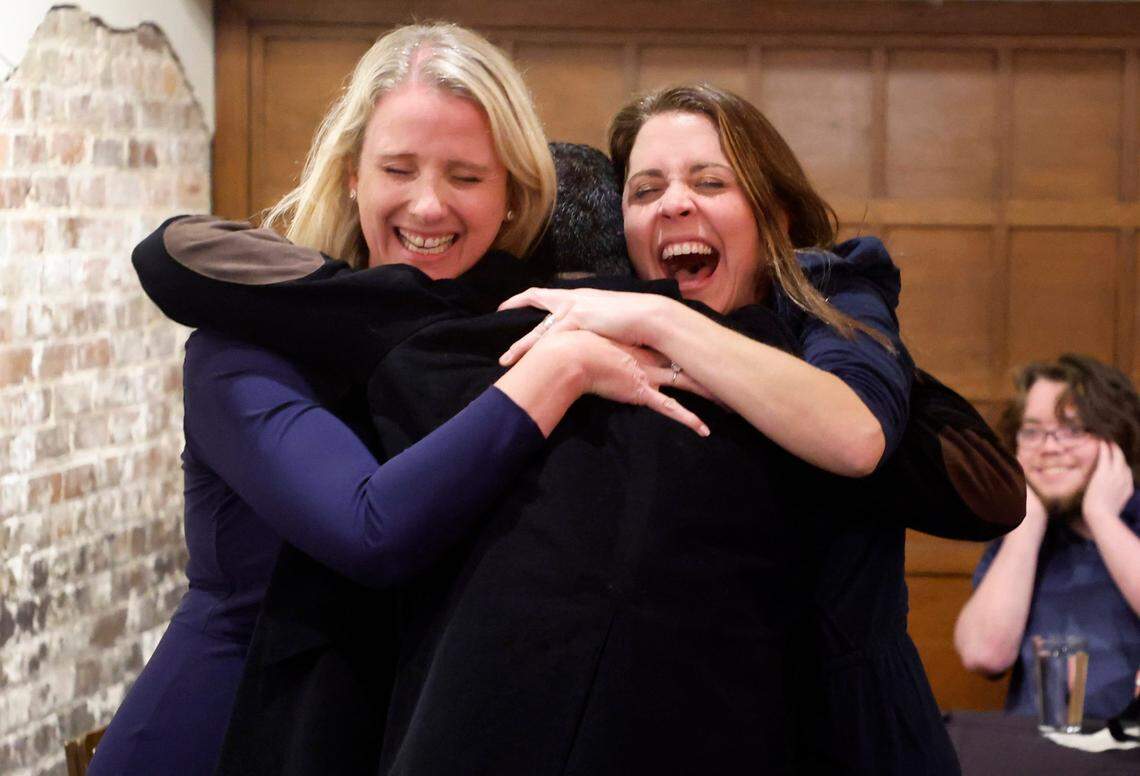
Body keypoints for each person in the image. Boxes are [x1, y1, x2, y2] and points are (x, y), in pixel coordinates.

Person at [135, 84, 1022, 774]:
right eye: (648, 189)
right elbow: (178, 258)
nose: (675, 205)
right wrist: (584, 347)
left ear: (776, 212)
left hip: (850, 722)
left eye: (710, 182)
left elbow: (945, 470)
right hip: (269, 702)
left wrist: (676, 333)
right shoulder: (535, 329)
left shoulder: (831, 309)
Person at [88, 24, 710, 776]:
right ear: (353, 175)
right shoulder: (243, 347)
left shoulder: (492, 330)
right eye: (398, 169)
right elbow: (371, 532)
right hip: (221, 733)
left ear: (510, 192)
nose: (428, 206)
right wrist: (566, 366)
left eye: (465, 176)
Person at [955, 354, 1140, 720]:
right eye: (1032, 431)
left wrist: (1101, 517)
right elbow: (982, 654)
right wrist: (1027, 523)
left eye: (1073, 429)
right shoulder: (1021, 541)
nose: (1049, 447)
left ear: (1115, 438)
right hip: (1041, 754)